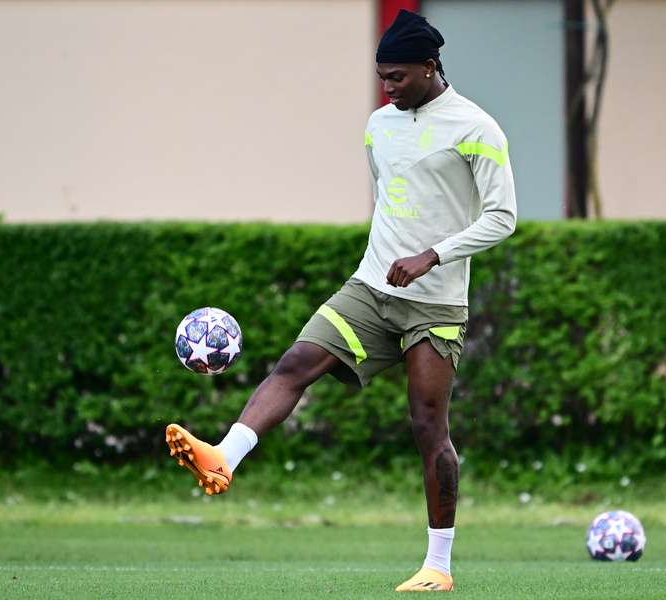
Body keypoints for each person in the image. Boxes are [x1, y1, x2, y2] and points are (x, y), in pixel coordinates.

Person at [165, 9, 516, 592]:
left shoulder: (478, 129)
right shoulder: (379, 126)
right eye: (383, 77)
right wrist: (388, 258)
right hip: (370, 287)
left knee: (428, 424)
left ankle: (438, 565)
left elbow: (502, 218)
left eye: (398, 76)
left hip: (435, 304)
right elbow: (390, 202)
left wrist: (433, 255)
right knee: (296, 364)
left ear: (430, 67)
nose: (388, 87)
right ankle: (225, 455)